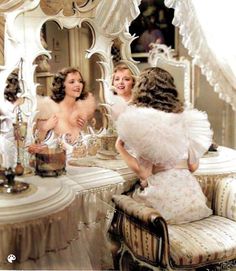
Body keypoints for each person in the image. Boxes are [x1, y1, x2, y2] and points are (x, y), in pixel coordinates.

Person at [115, 67, 213, 224]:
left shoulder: (140, 122)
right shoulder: (187, 119)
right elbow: (193, 167)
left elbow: (144, 174)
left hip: (163, 206)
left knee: (117, 207)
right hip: (193, 202)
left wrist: (119, 147)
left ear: (141, 91)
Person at [29, 67, 96, 156]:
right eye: (72, 82)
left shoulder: (82, 109)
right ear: (62, 85)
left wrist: (86, 126)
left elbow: (87, 142)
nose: (78, 85)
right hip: (57, 164)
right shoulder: (49, 108)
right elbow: (35, 145)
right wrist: (45, 128)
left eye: (80, 81)